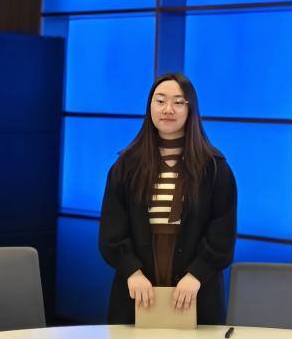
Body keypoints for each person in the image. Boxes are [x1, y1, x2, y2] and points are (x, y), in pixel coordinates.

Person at [98, 73, 237, 325]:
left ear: (191, 109)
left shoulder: (215, 168)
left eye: (178, 102)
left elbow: (222, 233)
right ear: (149, 106)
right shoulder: (125, 166)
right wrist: (132, 271)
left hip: (197, 289)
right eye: (160, 101)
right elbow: (111, 232)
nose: (168, 109)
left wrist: (197, 274)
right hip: (137, 288)